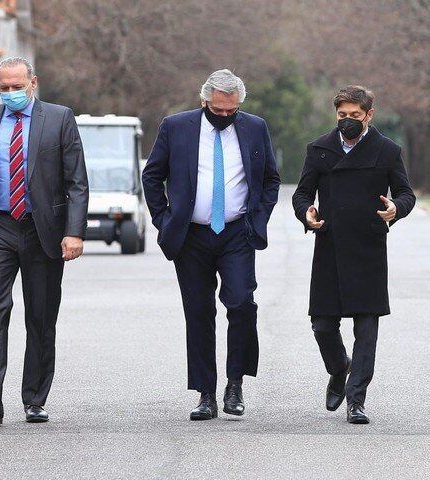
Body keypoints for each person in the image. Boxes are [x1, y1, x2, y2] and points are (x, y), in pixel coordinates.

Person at [0, 57, 88, 424]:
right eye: (4, 87)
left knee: (41, 316)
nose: (10, 93)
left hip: (42, 229)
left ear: (33, 82)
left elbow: (76, 180)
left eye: (17, 86)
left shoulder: (59, 118)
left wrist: (74, 231)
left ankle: (34, 398)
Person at [142, 69, 280, 420]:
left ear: (238, 105)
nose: (223, 116)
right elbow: (152, 175)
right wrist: (164, 221)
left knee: (241, 303)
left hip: (237, 232)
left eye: (229, 111)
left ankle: (235, 383)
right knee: (199, 312)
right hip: (191, 235)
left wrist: (258, 219)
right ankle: (206, 393)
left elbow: (270, 179)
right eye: (217, 110)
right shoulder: (176, 127)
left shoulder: (254, 127)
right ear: (204, 101)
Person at [292, 85, 415, 424]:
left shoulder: (387, 151)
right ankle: (338, 369)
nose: (348, 121)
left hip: (368, 248)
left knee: (367, 328)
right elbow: (302, 194)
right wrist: (306, 213)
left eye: (355, 116)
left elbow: (406, 193)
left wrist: (396, 209)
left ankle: (356, 398)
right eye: (342, 115)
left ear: (369, 115)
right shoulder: (319, 149)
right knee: (322, 325)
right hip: (329, 246)